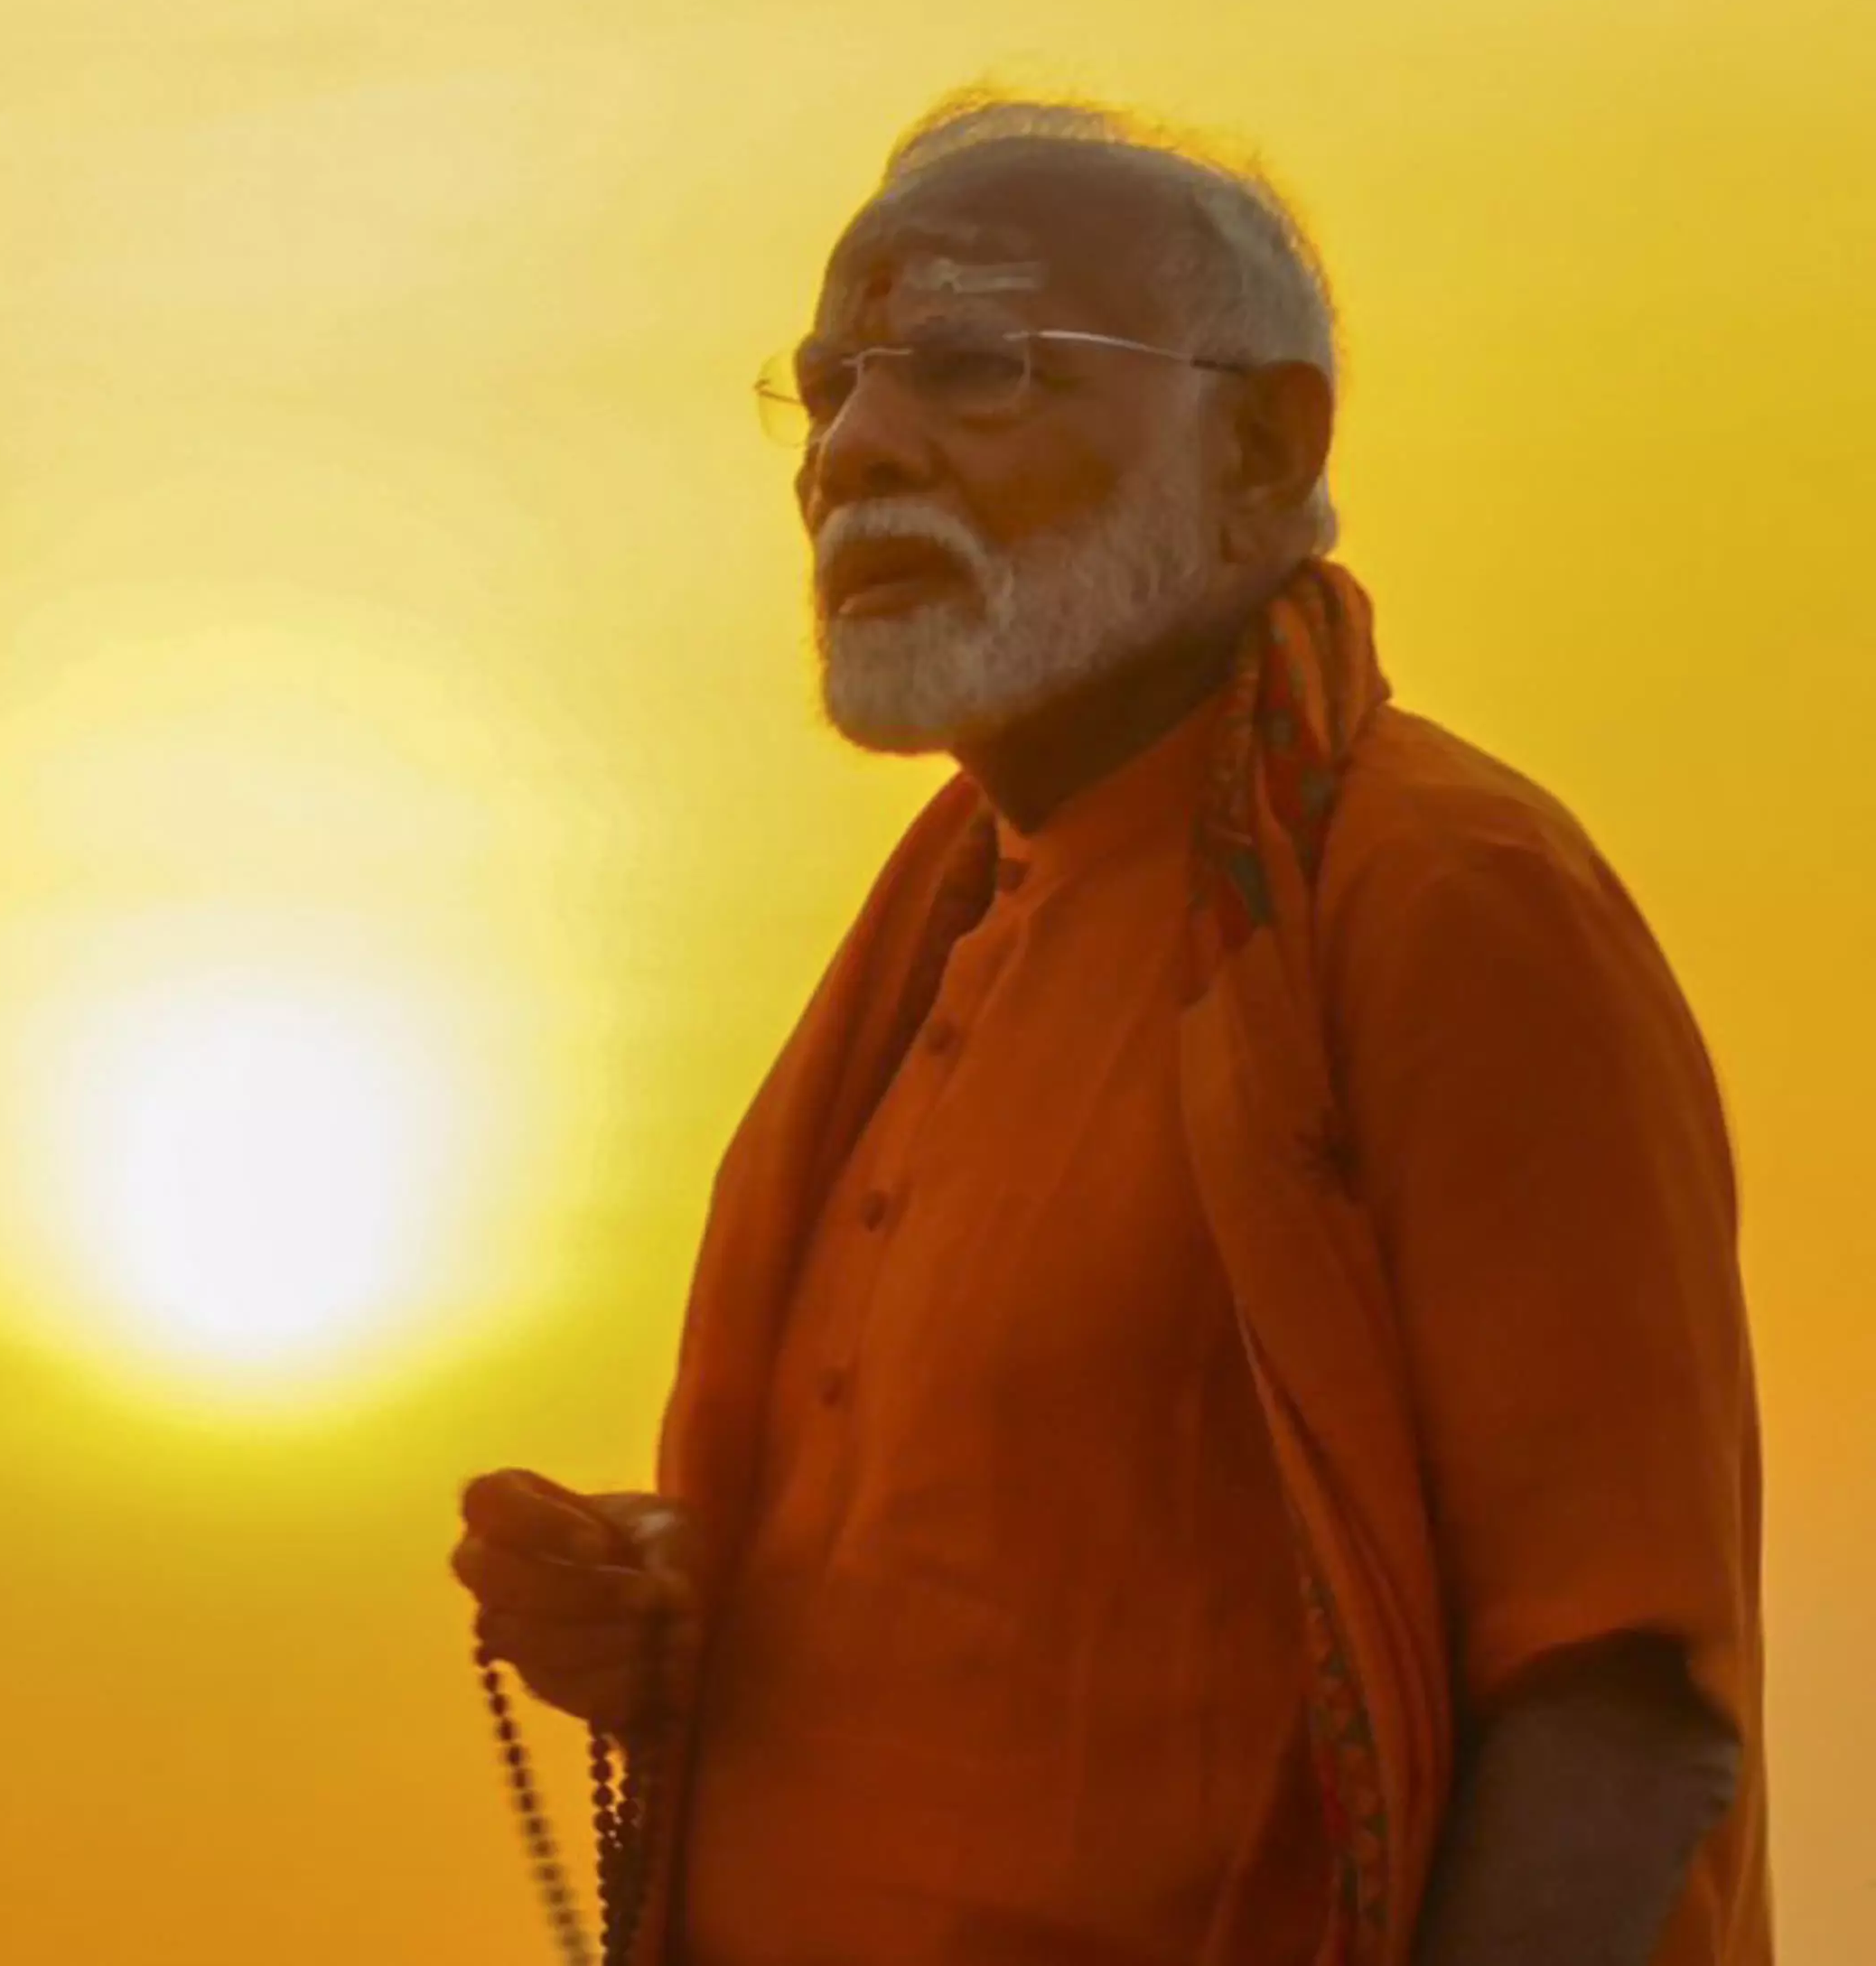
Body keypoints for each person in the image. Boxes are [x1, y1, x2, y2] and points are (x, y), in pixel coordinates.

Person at [454, 95, 1766, 1963]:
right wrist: (678, 1602)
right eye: (824, 390)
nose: (859, 451)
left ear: (1260, 444)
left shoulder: (1447, 904)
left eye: (974, 369)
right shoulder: (943, 938)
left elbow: (1623, 1700)